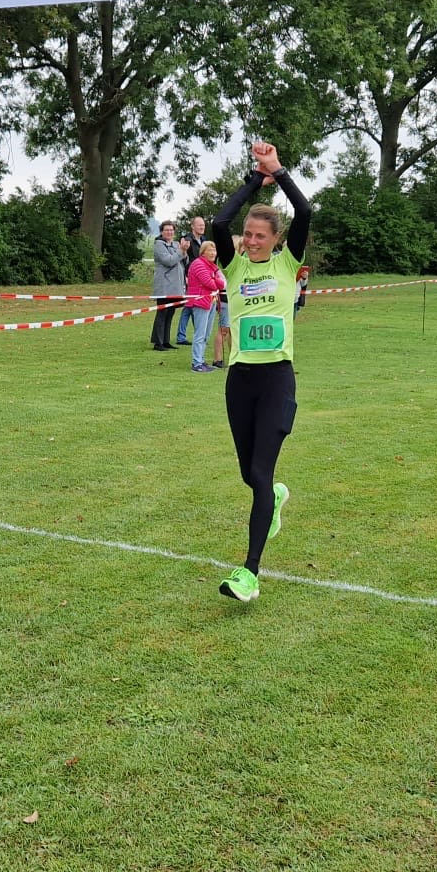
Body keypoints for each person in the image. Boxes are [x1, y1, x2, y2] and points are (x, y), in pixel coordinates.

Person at [210, 140, 311, 603]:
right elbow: (218, 222)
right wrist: (255, 178)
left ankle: (249, 573)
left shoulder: (288, 264)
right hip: (240, 381)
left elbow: (305, 212)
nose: (250, 240)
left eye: (259, 235)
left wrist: (279, 173)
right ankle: (273, 500)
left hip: (276, 379)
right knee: (250, 477)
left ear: (275, 239)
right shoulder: (232, 268)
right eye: (247, 234)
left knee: (261, 472)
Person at [184, 239, 225, 371]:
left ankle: (201, 360)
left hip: (211, 301)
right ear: (203, 252)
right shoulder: (199, 264)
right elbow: (210, 283)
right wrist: (216, 281)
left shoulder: (211, 266)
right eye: (210, 250)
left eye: (214, 250)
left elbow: (222, 284)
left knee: (206, 334)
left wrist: (216, 281)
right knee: (200, 334)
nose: (213, 253)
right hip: (201, 302)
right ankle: (196, 363)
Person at [150, 218, 186, 351]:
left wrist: (183, 251)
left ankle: (165, 340)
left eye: (171, 230)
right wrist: (181, 251)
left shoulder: (176, 244)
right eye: (167, 230)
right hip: (164, 286)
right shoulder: (159, 245)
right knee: (162, 313)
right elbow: (169, 261)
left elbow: (183, 260)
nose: (169, 232)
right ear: (162, 232)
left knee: (170, 313)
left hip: (176, 286)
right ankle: (158, 342)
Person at [173, 215, 208, 343]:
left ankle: (195, 335)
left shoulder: (204, 240)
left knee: (191, 306)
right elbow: (183, 259)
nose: (202, 227)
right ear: (193, 226)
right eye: (199, 225)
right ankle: (183, 336)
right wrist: (186, 276)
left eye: (203, 225)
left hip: (201, 277)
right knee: (190, 306)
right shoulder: (186, 240)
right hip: (191, 277)